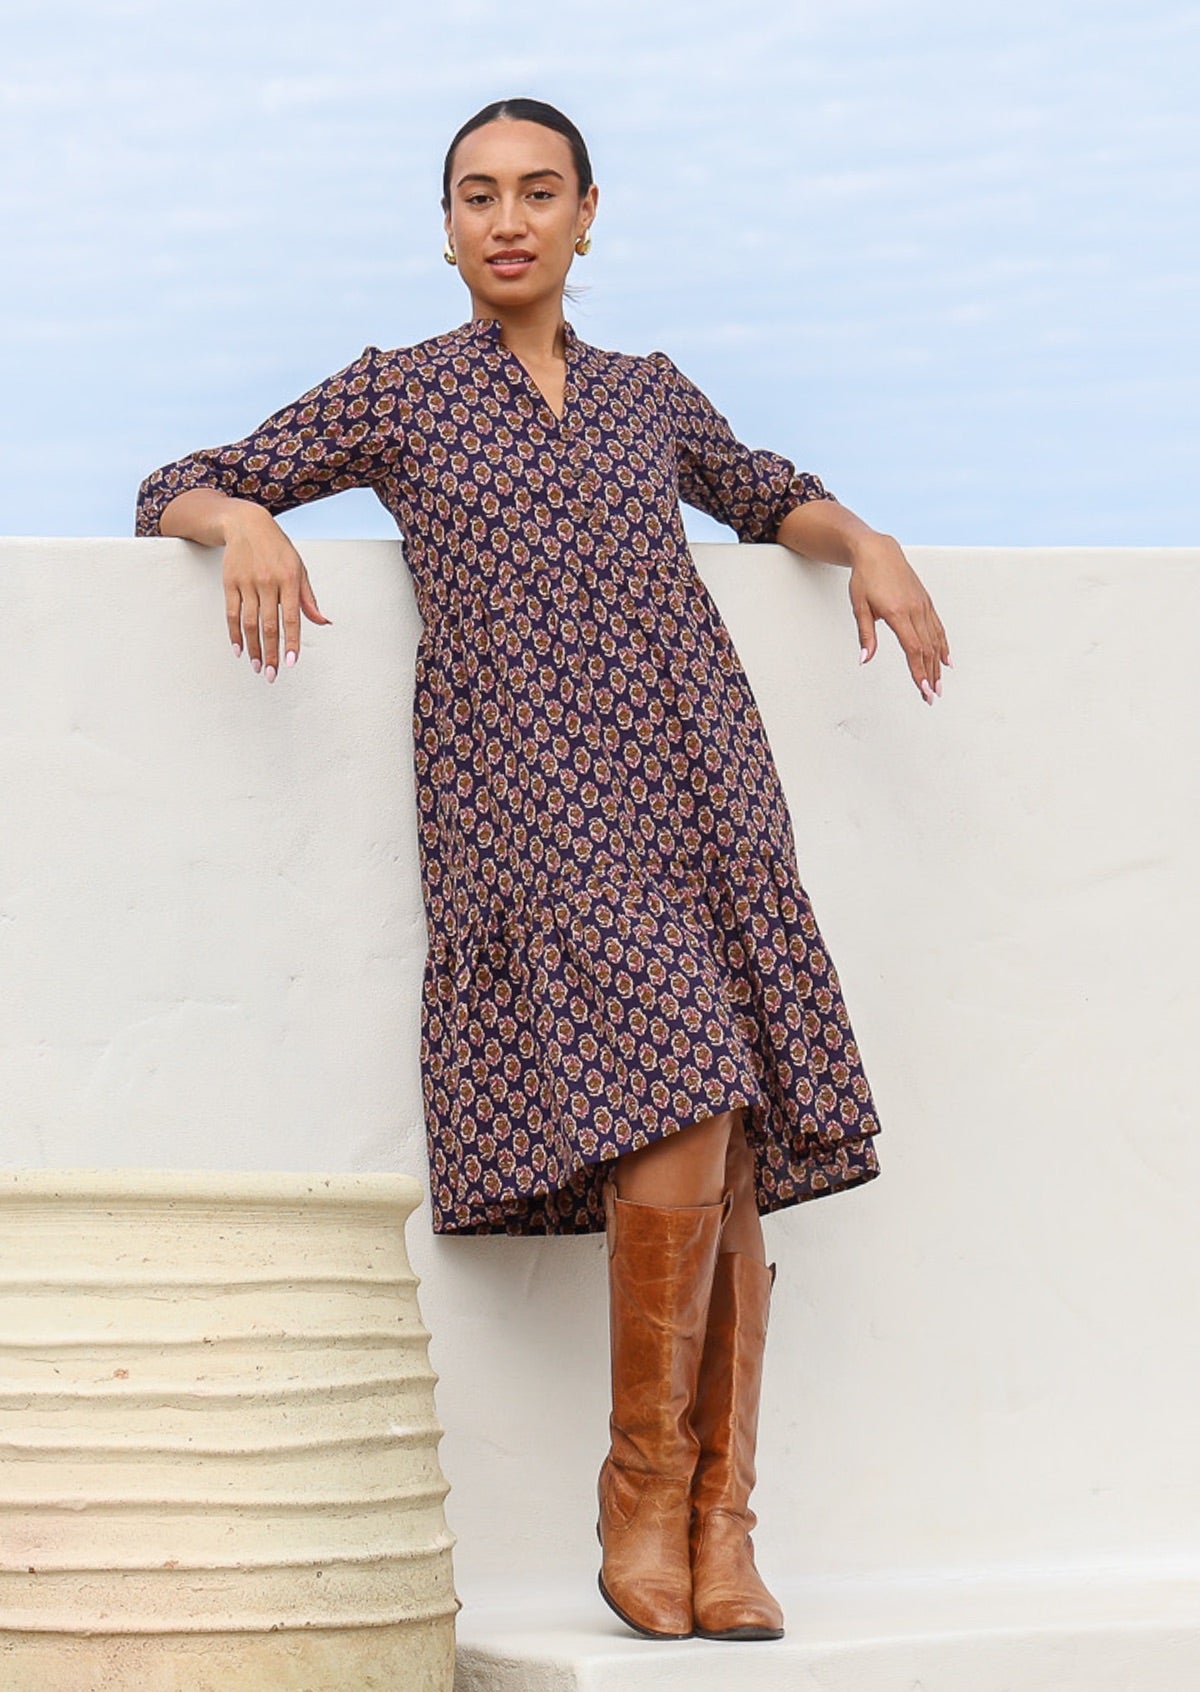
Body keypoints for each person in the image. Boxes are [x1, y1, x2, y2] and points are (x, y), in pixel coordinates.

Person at [135, 97, 949, 1644]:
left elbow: (764, 489)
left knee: (734, 1141)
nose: (507, 219)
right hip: (529, 798)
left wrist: (869, 541)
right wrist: (240, 517)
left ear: (588, 216)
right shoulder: (402, 395)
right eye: (476, 195)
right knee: (694, 1082)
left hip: (703, 779)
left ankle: (722, 1527)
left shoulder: (650, 396)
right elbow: (179, 475)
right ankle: (642, 1491)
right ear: (444, 227)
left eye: (538, 192)